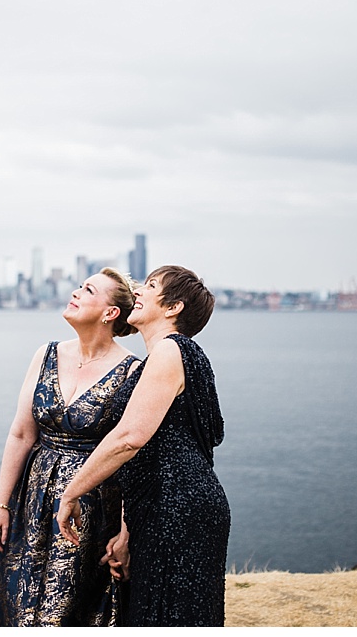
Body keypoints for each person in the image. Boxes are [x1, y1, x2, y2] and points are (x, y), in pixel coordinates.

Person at [0, 267, 141, 627]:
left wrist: (124, 531)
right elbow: (22, 434)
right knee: (12, 598)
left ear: (110, 313)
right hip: (31, 501)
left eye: (88, 290)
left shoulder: (133, 371)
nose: (75, 292)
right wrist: (0, 506)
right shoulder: (47, 354)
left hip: (90, 509)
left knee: (68, 607)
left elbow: (132, 457)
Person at [56, 265, 230, 627]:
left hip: (177, 510)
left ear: (173, 308)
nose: (139, 291)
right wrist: (127, 530)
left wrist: (71, 492)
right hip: (171, 506)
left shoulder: (170, 351)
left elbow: (129, 439)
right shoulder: (175, 356)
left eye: (151, 286)